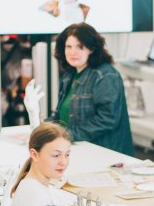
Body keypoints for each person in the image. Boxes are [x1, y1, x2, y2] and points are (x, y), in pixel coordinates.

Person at [50, 22, 133, 155]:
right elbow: (60, 114)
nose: (73, 52)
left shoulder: (106, 76)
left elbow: (107, 120)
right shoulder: (70, 74)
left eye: (79, 47)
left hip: (105, 154)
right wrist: (45, 128)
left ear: (92, 49)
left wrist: (67, 135)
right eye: (68, 47)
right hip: (76, 149)